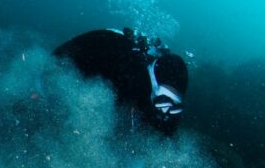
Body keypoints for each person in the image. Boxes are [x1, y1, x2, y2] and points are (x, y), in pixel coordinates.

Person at [53, 28, 189, 135]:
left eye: (173, 106)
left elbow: (165, 128)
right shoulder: (128, 73)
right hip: (66, 67)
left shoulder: (151, 88)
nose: (165, 110)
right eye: (163, 100)